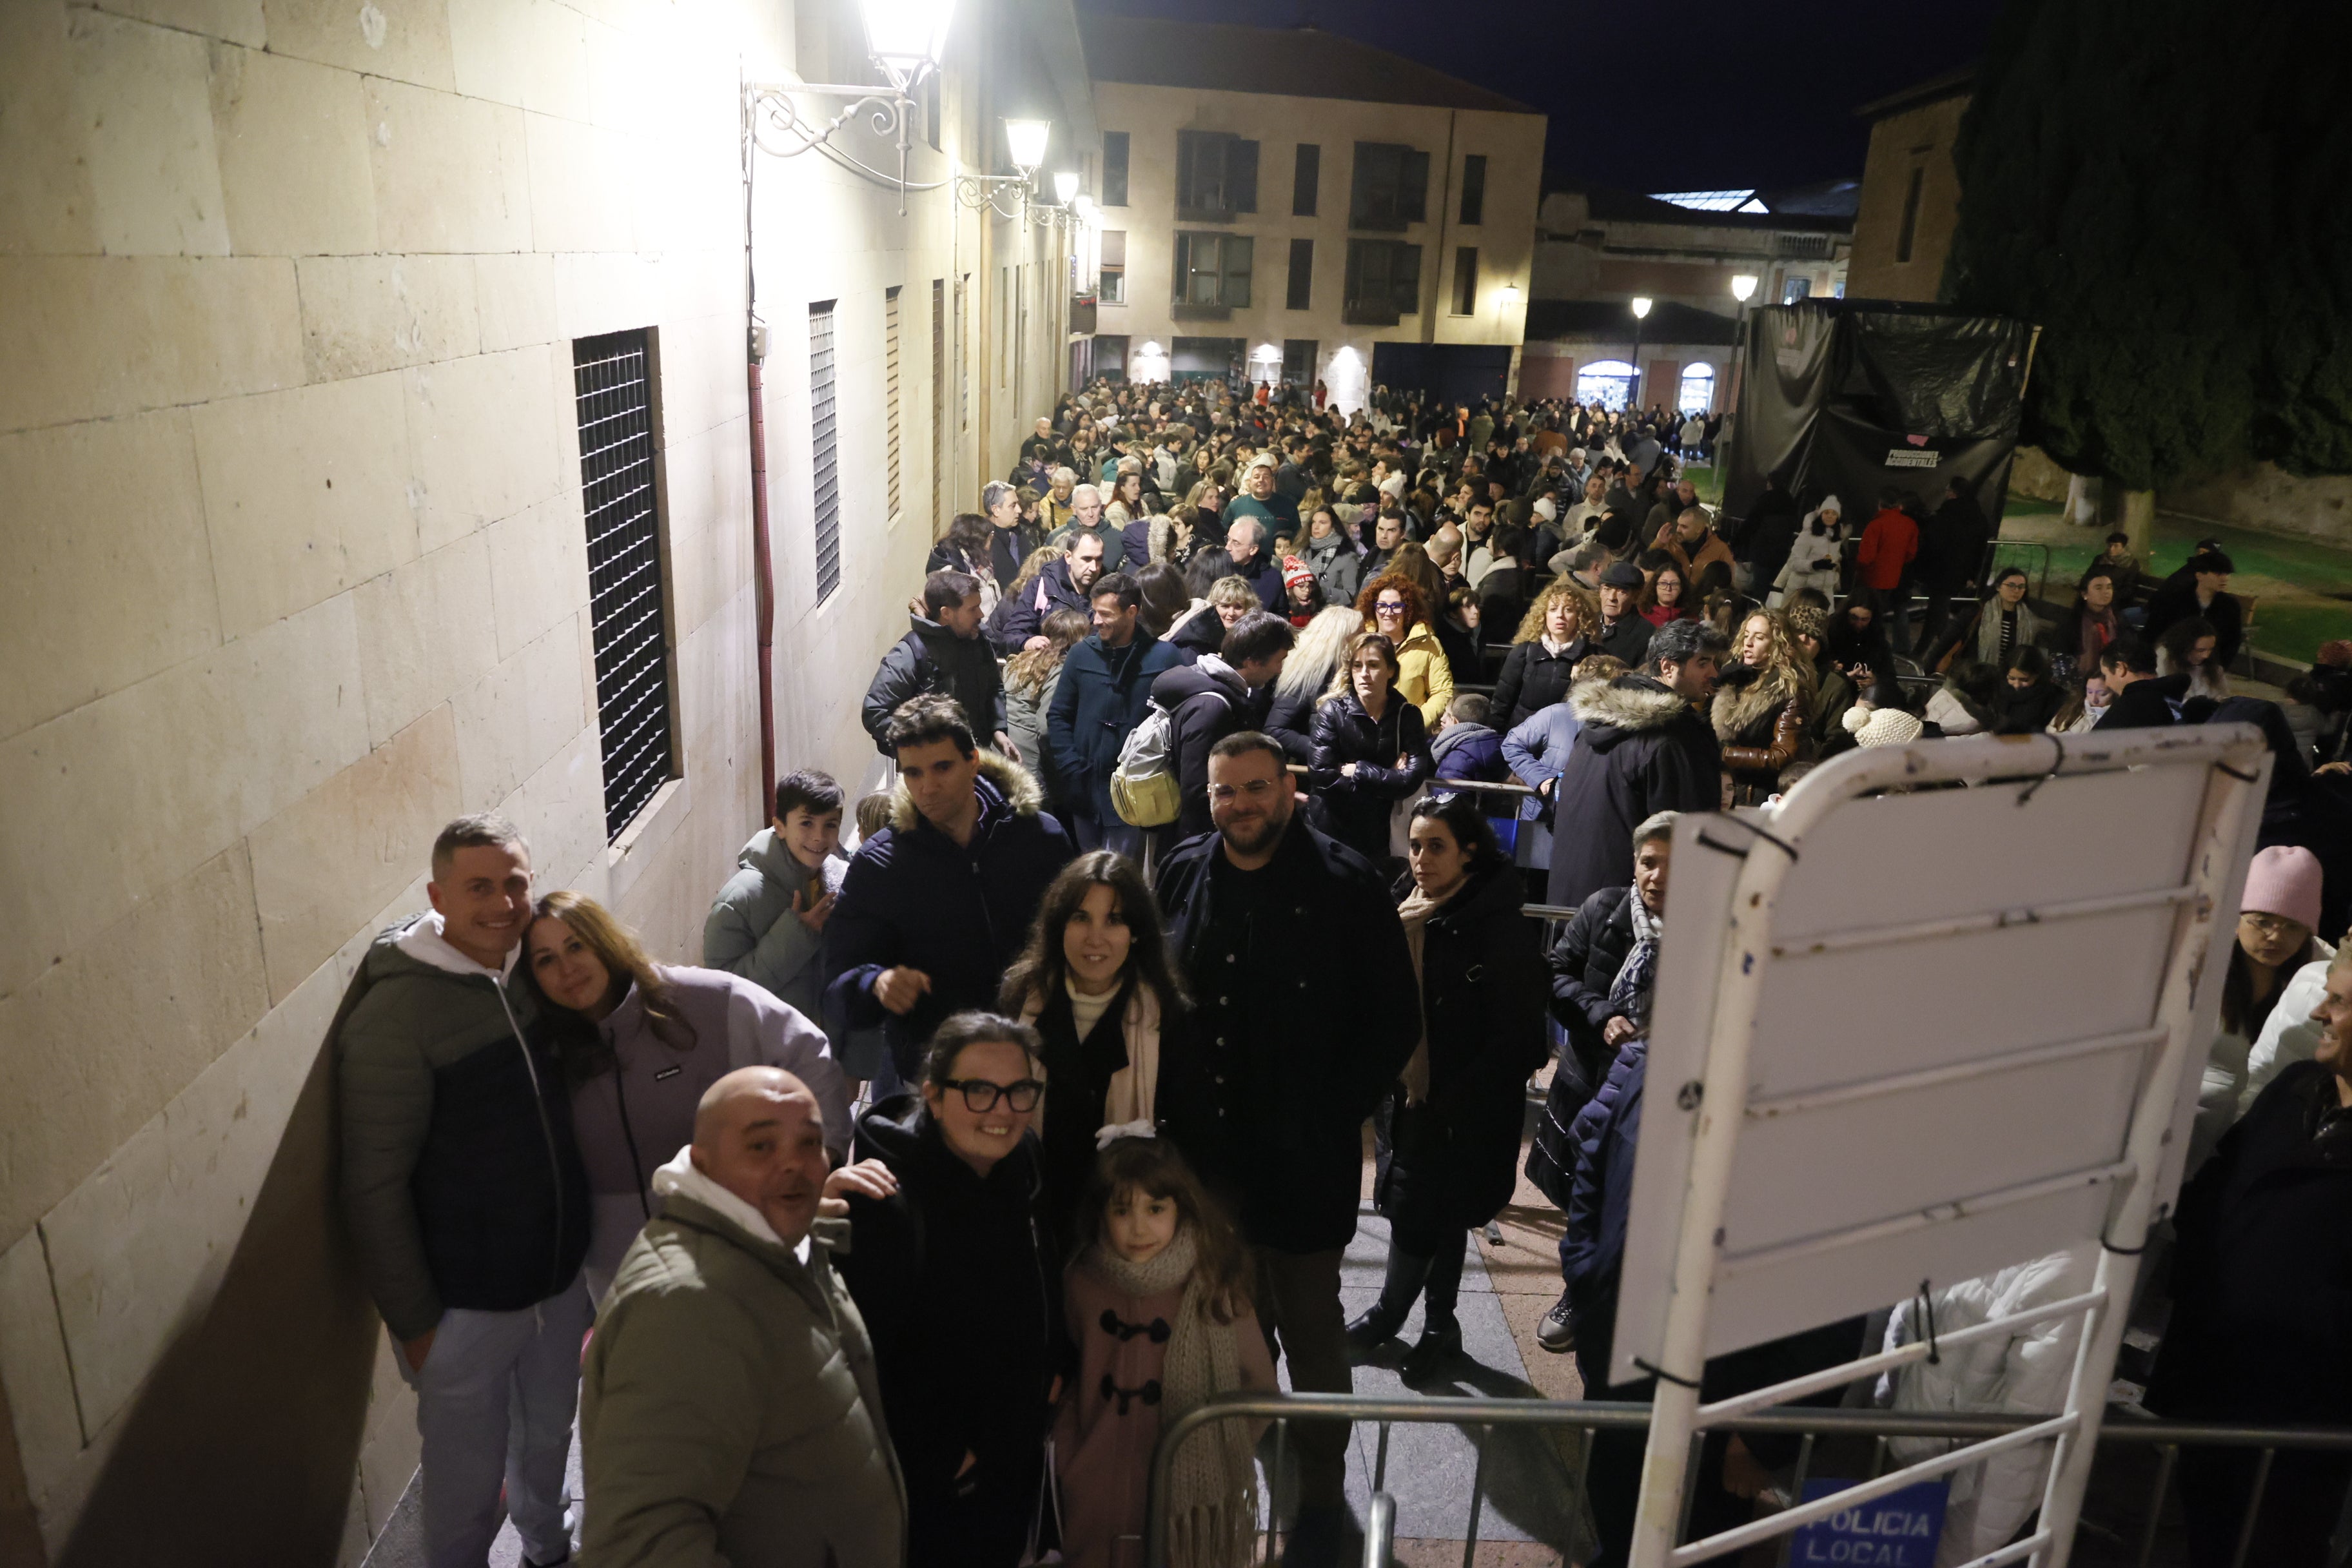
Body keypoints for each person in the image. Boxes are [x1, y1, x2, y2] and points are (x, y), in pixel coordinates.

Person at [1154, 734, 1419, 1563]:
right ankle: (1242, 1463)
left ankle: (1317, 1483)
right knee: (1229, 1325)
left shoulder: (1346, 882)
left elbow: (1393, 1023)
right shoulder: (1185, 868)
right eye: (1225, 791)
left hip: (1304, 1161)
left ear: (1290, 789)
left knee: (1309, 1326)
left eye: (1256, 788)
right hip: (1210, 1159)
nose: (1240, 805)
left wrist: (1329, 1113)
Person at [331, 814, 591, 1568]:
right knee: (465, 1489)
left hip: (557, 1284)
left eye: (515, 882)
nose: (504, 903)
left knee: (548, 1440)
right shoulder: (397, 1014)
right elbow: (372, 1184)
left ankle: (550, 1547)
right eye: (479, 886)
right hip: (465, 1309)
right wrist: (418, 1324)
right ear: (437, 894)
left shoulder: (531, 973)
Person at [579, 1068, 908, 1568]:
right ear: (704, 1166)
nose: (793, 1165)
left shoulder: (779, 1241)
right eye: (761, 1147)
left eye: (810, 1143)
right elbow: (641, 1545)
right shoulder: (688, 1309)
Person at [527, 882, 848, 1283]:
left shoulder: (705, 1000)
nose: (566, 969)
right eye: (545, 960)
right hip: (619, 1271)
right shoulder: (544, 1052)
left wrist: (824, 1162)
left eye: (576, 946)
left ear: (604, 941)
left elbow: (809, 1054)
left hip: (737, 1246)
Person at [837, 1014, 1067, 1568]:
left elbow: (1039, 1275)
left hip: (1013, 1459)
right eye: (980, 1091)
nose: (1003, 1111)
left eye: (1020, 1092)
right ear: (935, 1096)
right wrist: (944, 1458)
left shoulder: (1025, 1162)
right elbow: (862, 1358)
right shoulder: (885, 1201)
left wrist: (1055, 1367)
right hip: (932, 1488)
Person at [2147, 948, 2352, 1568]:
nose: (2320, 1009)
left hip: (2302, 1425)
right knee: (2207, 1533)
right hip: (2213, 1386)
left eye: (2340, 1001)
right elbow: (2217, 1192)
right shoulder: (2296, 1088)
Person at [1346, 797, 1547, 1378]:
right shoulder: (1407, 907)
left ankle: (1392, 1315)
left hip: (1461, 1107)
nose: (1422, 859)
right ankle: (1441, 1327)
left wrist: (1457, 1097)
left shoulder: (1496, 926)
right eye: (1415, 845)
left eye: (1437, 846)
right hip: (1410, 1095)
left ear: (1469, 851)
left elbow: (1521, 1038)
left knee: (1421, 1213)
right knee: (1438, 1212)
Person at [823, 696, 1076, 1081]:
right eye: (913, 773)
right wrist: (875, 983)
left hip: (1039, 1058)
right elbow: (837, 985)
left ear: (973, 761)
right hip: (939, 1077)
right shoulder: (880, 865)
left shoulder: (1040, 838)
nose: (927, 788)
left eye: (942, 767)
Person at [1053, 1133, 1277, 1568]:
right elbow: (1071, 1370)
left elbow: (1260, 1387)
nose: (1139, 1228)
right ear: (1101, 1214)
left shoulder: (1213, 1285)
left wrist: (1219, 1449)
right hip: (1093, 1487)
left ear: (1182, 1208)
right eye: (1122, 1210)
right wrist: (1069, 1450)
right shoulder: (1081, 1282)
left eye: (1156, 1209)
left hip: (1182, 1497)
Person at [1531, 810, 1677, 1352]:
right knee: (1583, 1197)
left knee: (1640, 1201)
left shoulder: (1714, 924)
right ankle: (1578, 1292)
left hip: (1658, 1093)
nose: (1658, 877)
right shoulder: (1603, 909)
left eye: (1673, 865)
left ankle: (1625, 1303)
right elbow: (1558, 973)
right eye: (1649, 863)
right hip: (1591, 1080)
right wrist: (1600, 1014)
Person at [1000, 852, 1189, 1246]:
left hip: (1126, 1235)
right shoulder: (1021, 1000)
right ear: (1059, 925)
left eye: (1114, 920)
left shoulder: (1168, 1017)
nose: (1095, 938)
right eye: (1080, 917)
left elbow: (1192, 1143)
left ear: (1136, 931)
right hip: (1032, 1221)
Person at [1545, 619, 1727, 910]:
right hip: (1626, 918)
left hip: (1573, 903)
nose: (1713, 674)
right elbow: (1682, 835)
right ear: (1668, 667)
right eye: (1703, 663)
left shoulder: (1595, 725)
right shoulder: (1672, 739)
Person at [1049, 571, 1181, 858]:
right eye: (1094, 612)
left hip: (1135, 792)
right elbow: (1058, 715)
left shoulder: (1165, 658)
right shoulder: (1080, 655)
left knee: (1122, 879)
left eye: (1105, 614)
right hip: (1085, 792)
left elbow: (1177, 723)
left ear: (1131, 612)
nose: (1095, 621)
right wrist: (1072, 767)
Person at [703, 769, 849, 1027]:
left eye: (830, 824)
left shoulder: (843, 883)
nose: (819, 836)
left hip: (829, 1053)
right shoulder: (738, 901)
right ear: (780, 827)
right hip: (772, 1055)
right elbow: (722, 994)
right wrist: (796, 936)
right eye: (806, 823)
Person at [1149, 610, 1295, 843]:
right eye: (1279, 661)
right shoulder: (1212, 708)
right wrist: (1204, 850)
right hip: (1199, 843)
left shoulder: (1219, 690)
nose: (1279, 670)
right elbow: (1197, 792)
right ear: (1252, 662)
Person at [1307, 631, 1435, 868]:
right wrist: (1388, 777)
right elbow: (1323, 776)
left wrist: (1358, 771)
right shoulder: (1332, 711)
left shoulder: (1407, 715)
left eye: (1373, 665)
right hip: (1334, 828)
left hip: (1381, 834)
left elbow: (1412, 779)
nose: (1364, 674)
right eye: (1358, 666)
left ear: (1391, 671)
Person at [865, 569, 1014, 758]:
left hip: (974, 761)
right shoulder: (911, 653)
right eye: (972, 609)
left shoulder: (977, 641)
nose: (981, 614)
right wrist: (926, 745)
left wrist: (997, 729)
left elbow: (993, 687)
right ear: (947, 613)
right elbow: (875, 712)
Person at [1714, 611, 1815, 807]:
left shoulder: (1790, 691)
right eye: (1746, 635)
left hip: (1757, 795)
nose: (1749, 643)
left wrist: (1724, 753)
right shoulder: (1736, 678)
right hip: (1725, 788)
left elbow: (1782, 756)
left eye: (1759, 637)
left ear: (1777, 645)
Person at [1004, 608, 1091, 814]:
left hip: (1004, 754)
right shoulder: (1060, 669)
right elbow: (1047, 727)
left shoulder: (1019, 660)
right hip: (1030, 764)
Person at [1264, 603, 1365, 763]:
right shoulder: (1307, 676)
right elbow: (1276, 730)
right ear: (1341, 638)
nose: (1364, 641)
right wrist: (1325, 752)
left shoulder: (1345, 674)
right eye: (1359, 634)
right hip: (1313, 776)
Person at [1492, 582, 1599, 730]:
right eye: (1553, 609)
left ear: (1579, 616)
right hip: (1523, 736)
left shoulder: (1592, 656)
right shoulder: (1524, 652)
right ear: (1544, 615)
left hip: (1565, 738)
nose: (1560, 615)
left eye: (1568, 610)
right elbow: (1502, 703)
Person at [1356, 574, 1455, 729]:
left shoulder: (1429, 644)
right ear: (1373, 608)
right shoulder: (1360, 641)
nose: (1388, 613)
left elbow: (1442, 692)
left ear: (1407, 609)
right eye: (1382, 606)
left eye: (1396, 606)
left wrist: (1415, 723)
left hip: (1408, 735)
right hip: (1362, 731)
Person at [1913, 475, 1990, 653]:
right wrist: (1972, 574)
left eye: (1948, 490)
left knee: (1937, 611)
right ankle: (1944, 650)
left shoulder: (1945, 515)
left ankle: (1929, 651)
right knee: (1939, 610)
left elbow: (1933, 544)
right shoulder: (1978, 516)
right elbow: (1981, 549)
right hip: (1960, 572)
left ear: (1953, 493)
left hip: (1941, 571)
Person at [999, 530, 1108, 652]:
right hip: (1050, 666)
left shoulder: (1108, 590)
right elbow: (1012, 633)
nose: (1094, 567)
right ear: (1068, 557)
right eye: (1086, 559)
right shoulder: (1043, 586)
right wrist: (1027, 642)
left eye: (1099, 560)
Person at [2146, 549, 2244, 670]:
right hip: (2171, 663)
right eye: (2218, 574)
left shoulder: (2230, 606)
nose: (2225, 579)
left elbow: (2233, 641)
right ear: (2199, 575)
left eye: (2227, 574)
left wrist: (2220, 667)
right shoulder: (2174, 599)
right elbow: (2153, 631)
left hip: (2209, 668)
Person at [1936, 567, 2044, 671]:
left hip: (2010, 680)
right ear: (1998, 587)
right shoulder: (1977, 612)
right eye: (2011, 585)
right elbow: (1947, 641)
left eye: (2021, 587)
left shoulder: (2029, 619)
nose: (2016, 590)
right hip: (1975, 675)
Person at [1770, 496, 1845, 607]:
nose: (1830, 516)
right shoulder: (1807, 535)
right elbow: (1793, 562)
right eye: (1827, 512)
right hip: (1801, 593)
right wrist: (1814, 565)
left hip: (1824, 594)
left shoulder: (1835, 539)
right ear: (1821, 514)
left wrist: (1834, 574)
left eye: (1834, 513)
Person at [1429, 691, 1507, 791]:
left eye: (1448, 715)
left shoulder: (1456, 761)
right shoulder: (1500, 746)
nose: (1442, 719)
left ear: (1455, 722)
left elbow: (1451, 804)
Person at [1299, 502, 1363, 607]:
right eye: (1313, 522)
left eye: (1322, 523)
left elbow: (1350, 595)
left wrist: (1324, 592)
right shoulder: (1302, 551)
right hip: (1301, 613)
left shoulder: (1347, 557)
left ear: (1333, 527)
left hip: (1329, 615)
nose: (1316, 527)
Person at [1593, 561, 1657, 665]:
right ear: (1600, 591)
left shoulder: (1647, 635)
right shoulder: (1587, 623)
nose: (1611, 598)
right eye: (1607, 589)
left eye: (1622, 592)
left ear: (1635, 597)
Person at [985, 478, 1043, 586]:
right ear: (996, 510)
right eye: (1013, 505)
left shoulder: (1021, 533)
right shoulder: (982, 539)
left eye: (1018, 504)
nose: (1019, 510)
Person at [1996, 645, 2067, 734]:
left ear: (2037, 675)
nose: (2017, 685)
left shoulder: (2053, 697)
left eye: (2024, 680)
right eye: (2012, 678)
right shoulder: (1998, 690)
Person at [1223, 516, 1286, 611]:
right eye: (1228, 539)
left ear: (1253, 549)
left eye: (1236, 543)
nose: (1227, 547)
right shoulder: (1218, 570)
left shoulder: (1272, 579)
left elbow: (1282, 615)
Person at [1639, 559, 1696, 627]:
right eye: (1663, 583)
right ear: (1655, 586)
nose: (1668, 589)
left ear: (1681, 588)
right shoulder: (1641, 615)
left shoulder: (1690, 618)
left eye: (1674, 584)